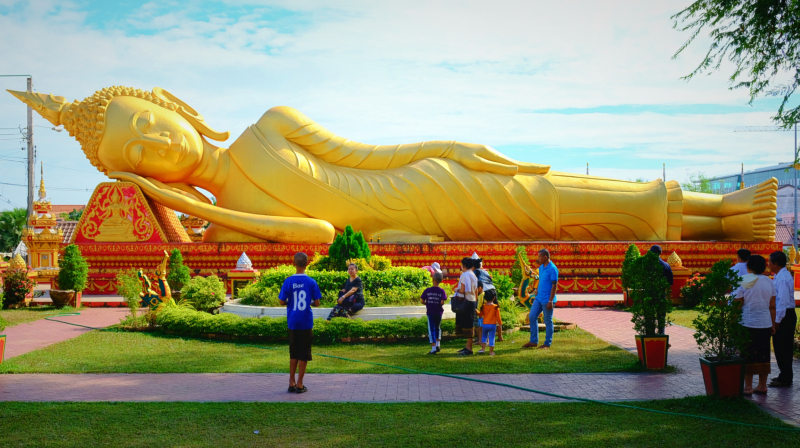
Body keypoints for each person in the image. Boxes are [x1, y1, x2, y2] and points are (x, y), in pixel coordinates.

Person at [732, 255, 776, 395]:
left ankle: (748, 387)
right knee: (763, 354)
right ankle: (762, 385)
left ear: (748, 267)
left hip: (747, 322)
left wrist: (732, 321)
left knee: (747, 354)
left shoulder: (744, 280)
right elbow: (772, 306)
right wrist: (773, 324)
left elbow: (738, 304)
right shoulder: (769, 282)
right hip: (765, 323)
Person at [278, 252, 322, 394]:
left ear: (293, 263)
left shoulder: (288, 281)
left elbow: (281, 301)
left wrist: (290, 301)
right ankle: (300, 384)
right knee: (304, 352)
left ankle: (291, 381)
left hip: (292, 321)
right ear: (307, 264)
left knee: (293, 351)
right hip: (305, 321)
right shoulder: (311, 282)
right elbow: (317, 302)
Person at [768, 251, 796, 388]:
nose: (768, 264)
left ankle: (786, 377)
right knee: (780, 347)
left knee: (783, 347)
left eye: (769, 262)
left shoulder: (784, 278)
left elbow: (783, 302)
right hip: (783, 314)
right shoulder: (780, 276)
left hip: (785, 316)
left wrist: (777, 321)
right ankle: (784, 374)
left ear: (776, 263)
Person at [522, 249, 558, 349]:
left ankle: (547, 343)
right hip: (539, 298)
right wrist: (537, 289)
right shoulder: (541, 267)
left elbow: (554, 285)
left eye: (540, 257)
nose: (538, 259)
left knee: (547, 321)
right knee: (532, 316)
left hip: (547, 300)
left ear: (545, 257)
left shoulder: (553, 269)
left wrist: (551, 301)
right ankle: (533, 341)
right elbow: (541, 281)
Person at [472, 255, 503, 341]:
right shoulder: (485, 272)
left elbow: (475, 285)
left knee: (482, 317)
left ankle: (482, 338)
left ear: (473, 266)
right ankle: (500, 336)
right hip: (493, 291)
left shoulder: (475, 273)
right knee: (496, 314)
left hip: (484, 293)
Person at [454, 257, 478, 355]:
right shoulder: (473, 275)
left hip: (465, 302)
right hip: (472, 301)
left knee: (467, 325)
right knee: (470, 324)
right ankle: (468, 346)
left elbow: (462, 290)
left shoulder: (464, 275)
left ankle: (469, 349)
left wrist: (456, 290)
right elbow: (476, 291)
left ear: (463, 265)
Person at [421, 272, 448, 354]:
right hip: (438, 312)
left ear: (433, 279)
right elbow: (442, 302)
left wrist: (428, 303)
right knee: (437, 327)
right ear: (441, 281)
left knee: (431, 329)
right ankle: (438, 345)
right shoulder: (442, 291)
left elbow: (422, 301)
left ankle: (433, 348)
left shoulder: (427, 290)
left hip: (430, 311)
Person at [649, 245, 673, 335]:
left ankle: (650, 335)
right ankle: (661, 335)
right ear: (660, 253)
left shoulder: (648, 266)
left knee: (650, 317)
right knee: (661, 317)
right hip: (661, 293)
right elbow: (670, 282)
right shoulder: (666, 265)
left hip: (650, 294)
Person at [478, 290, 502, 356]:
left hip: (485, 324)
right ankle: (491, 352)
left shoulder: (484, 306)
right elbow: (498, 317)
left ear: (485, 298)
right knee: (492, 337)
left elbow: (480, 314)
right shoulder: (496, 307)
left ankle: (483, 349)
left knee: (484, 336)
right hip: (493, 325)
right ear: (494, 298)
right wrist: (500, 324)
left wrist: (476, 311)